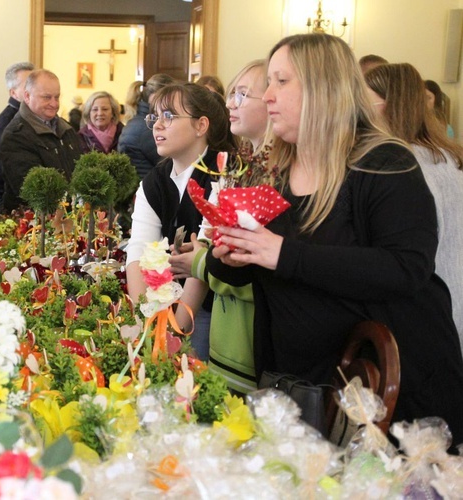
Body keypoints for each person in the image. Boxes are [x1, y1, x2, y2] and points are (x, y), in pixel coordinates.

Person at [190, 33, 463, 446]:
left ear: (324, 87)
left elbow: (406, 268)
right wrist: (229, 258)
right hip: (303, 386)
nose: (267, 96)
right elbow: (261, 271)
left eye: (281, 81)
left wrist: (281, 254)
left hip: (391, 395)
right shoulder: (279, 169)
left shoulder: (383, 162)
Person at [170, 60, 270, 393]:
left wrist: (199, 261)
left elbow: (257, 273)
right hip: (225, 337)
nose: (229, 104)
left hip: (254, 342)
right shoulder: (236, 169)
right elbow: (207, 241)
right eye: (231, 95)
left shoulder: (274, 176)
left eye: (242, 95)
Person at [125, 83, 237, 362]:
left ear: (201, 126)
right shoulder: (154, 181)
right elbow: (137, 253)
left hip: (213, 303)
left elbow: (204, 254)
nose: (157, 126)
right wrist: (146, 322)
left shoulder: (223, 175)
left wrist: (173, 334)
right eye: (155, 117)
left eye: (169, 116)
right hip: (167, 298)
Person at [365, 63, 463, 347]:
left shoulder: (399, 165)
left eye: (363, 101)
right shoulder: (450, 157)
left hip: (430, 310)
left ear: (386, 107)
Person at [0, 69, 82, 212]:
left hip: (69, 218)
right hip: (34, 223)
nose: (54, 104)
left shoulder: (66, 130)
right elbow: (30, 190)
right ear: (27, 96)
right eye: (46, 97)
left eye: (57, 97)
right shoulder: (15, 135)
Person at [0, 61, 34, 211]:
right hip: (13, 208)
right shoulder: (4, 124)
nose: (33, 90)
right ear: (13, 92)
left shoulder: (35, 118)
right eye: (27, 85)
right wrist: (1, 209)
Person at [118, 74, 175, 180]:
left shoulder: (140, 121)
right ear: (155, 98)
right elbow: (173, 166)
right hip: (148, 189)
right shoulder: (148, 127)